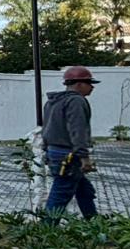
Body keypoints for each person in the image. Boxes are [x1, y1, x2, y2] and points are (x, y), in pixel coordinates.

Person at [42, 66, 100, 219]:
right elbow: (77, 130)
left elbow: (46, 129)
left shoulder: (53, 102)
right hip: (68, 155)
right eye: (89, 83)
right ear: (79, 84)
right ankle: (46, 228)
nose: (92, 87)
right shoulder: (76, 101)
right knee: (60, 195)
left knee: (84, 191)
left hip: (54, 151)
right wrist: (84, 157)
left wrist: (46, 151)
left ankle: (95, 224)